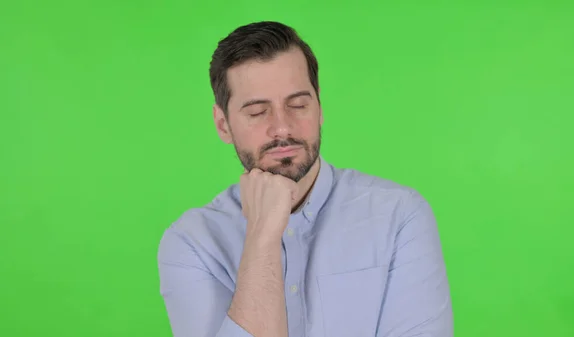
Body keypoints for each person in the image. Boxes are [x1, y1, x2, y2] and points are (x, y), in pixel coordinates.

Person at [157, 21, 453, 337]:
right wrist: (263, 237)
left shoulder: (399, 216)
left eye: (298, 104)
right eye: (258, 112)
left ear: (319, 106)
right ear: (223, 124)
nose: (282, 127)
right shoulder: (193, 244)